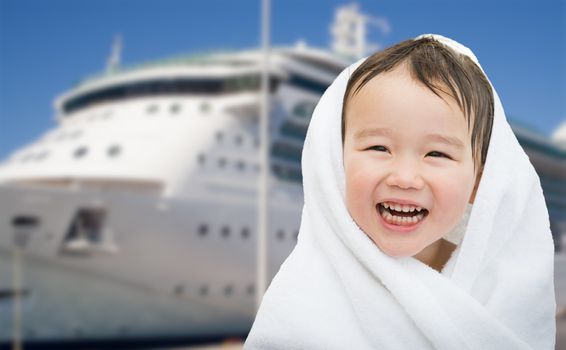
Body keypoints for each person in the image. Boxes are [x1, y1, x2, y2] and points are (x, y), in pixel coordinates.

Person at [244, 34, 556, 349]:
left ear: (480, 182)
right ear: (336, 163)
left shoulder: (506, 291)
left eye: (437, 154)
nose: (405, 178)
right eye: (378, 147)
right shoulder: (300, 301)